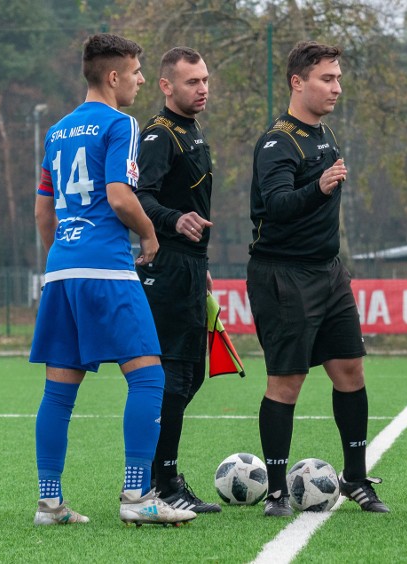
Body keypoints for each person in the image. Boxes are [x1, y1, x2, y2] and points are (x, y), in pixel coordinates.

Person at [30, 34, 196, 526]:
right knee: (148, 375)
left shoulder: (56, 131)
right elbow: (121, 196)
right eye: (138, 71)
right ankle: (137, 496)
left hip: (62, 271)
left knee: (58, 391)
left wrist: (62, 258)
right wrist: (149, 236)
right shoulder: (120, 123)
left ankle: (49, 502)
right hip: (107, 269)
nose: (142, 79)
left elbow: (43, 210)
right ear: (114, 76)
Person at [247, 41, 389, 517]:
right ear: (297, 82)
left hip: (329, 273)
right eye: (327, 79)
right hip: (283, 275)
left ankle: (355, 478)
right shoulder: (276, 142)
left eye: (338, 78)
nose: (336, 87)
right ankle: (274, 491)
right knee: (286, 382)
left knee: (350, 370)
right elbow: (278, 206)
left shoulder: (324, 133)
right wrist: (320, 185)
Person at [135, 46, 221, 514]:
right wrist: (174, 223)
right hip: (164, 269)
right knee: (172, 377)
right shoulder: (158, 134)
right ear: (167, 86)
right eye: (192, 82)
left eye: (205, 79)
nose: (203, 88)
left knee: (191, 376)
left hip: (189, 267)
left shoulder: (192, 129)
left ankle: (163, 475)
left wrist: (199, 260)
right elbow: (136, 198)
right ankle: (157, 481)